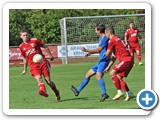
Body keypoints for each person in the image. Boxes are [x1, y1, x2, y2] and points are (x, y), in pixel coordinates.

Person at [71, 24, 110, 102]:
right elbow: (100, 50)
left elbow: (99, 50)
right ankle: (77, 91)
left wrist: (87, 50)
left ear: (99, 31)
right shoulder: (101, 38)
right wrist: (90, 53)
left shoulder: (105, 38)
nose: (95, 31)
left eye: (96, 30)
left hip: (105, 61)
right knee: (88, 74)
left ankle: (104, 93)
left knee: (98, 77)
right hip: (101, 60)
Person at [19, 29, 60, 102]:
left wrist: (50, 55)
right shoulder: (21, 47)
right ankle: (43, 92)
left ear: (28, 35)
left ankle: (57, 93)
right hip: (33, 66)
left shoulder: (35, 41)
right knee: (39, 79)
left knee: (48, 81)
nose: (25, 36)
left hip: (43, 63)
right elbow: (25, 58)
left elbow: (45, 46)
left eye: (26, 35)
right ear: (21, 36)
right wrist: (24, 69)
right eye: (24, 35)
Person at [104, 27, 134, 101]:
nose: (105, 36)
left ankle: (119, 92)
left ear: (108, 33)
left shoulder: (112, 40)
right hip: (129, 60)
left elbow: (107, 54)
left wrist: (106, 54)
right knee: (118, 77)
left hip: (126, 60)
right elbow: (114, 57)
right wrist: (108, 66)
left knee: (112, 73)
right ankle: (129, 93)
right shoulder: (117, 39)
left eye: (105, 34)